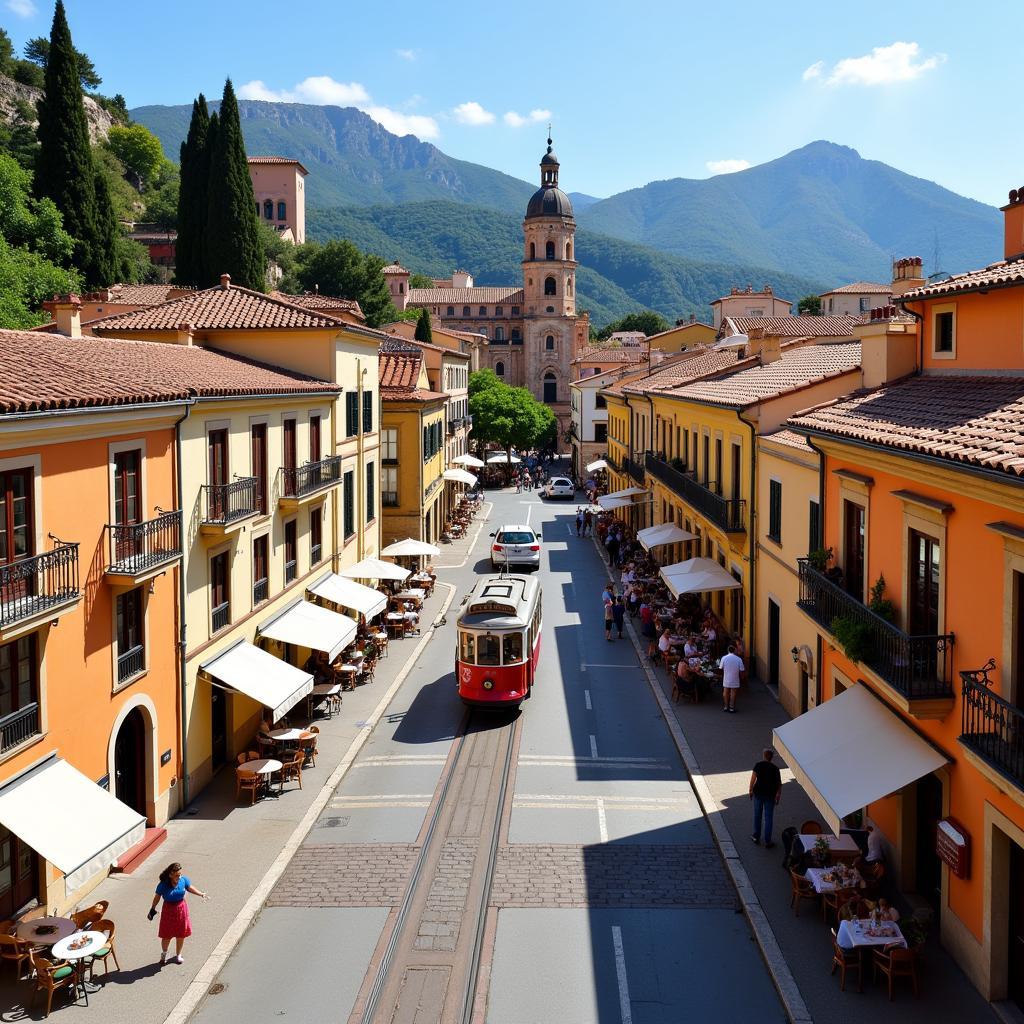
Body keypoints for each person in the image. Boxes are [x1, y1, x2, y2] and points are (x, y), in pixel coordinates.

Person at [149, 862, 208, 965]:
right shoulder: (163, 884)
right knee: (166, 935)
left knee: (181, 934)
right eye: (177, 875)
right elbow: (157, 897)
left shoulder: (183, 880)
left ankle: (178, 955)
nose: (179, 877)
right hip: (168, 910)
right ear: (170, 875)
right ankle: (164, 954)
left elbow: (189, 888)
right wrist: (152, 908)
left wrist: (201, 894)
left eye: (180, 874)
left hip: (181, 909)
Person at [749, 748, 782, 848]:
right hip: (770, 795)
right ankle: (768, 841)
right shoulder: (775, 769)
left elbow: (753, 778)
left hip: (758, 793)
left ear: (764, 756)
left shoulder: (758, 765)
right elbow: (779, 784)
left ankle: (756, 836)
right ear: (771, 758)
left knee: (757, 815)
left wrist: (750, 790)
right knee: (768, 818)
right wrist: (778, 796)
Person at [719, 643, 744, 712]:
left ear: (728, 650)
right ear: (734, 650)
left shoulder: (724, 658)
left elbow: (721, 668)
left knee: (725, 692)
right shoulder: (739, 659)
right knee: (733, 693)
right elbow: (742, 670)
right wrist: (742, 677)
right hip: (735, 678)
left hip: (726, 678)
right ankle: (731, 707)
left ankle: (726, 706)